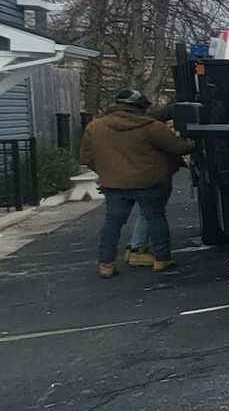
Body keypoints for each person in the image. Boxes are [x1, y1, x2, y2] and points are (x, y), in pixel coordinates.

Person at [79, 89, 195, 278]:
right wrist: (192, 140)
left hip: (114, 184)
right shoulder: (152, 127)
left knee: (112, 223)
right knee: (155, 218)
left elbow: (86, 157)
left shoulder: (95, 127)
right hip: (150, 182)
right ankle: (161, 259)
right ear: (140, 107)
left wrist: (106, 171)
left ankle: (106, 264)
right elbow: (179, 147)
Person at [122, 103, 177, 268]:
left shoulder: (109, 128)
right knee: (153, 213)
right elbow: (176, 146)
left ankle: (134, 248)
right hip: (152, 176)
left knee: (141, 214)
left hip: (122, 176)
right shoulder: (151, 128)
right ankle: (149, 252)